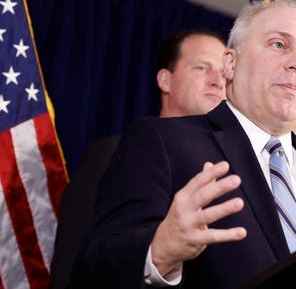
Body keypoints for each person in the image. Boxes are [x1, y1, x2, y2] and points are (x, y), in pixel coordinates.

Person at [71, 0, 296, 289]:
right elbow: (93, 271)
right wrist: (159, 252)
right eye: (279, 45)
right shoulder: (163, 142)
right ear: (231, 64)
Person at [50, 29, 227, 289]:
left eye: (224, 74)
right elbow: (71, 267)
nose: (217, 81)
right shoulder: (111, 153)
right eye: (202, 68)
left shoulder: (226, 175)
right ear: (165, 80)